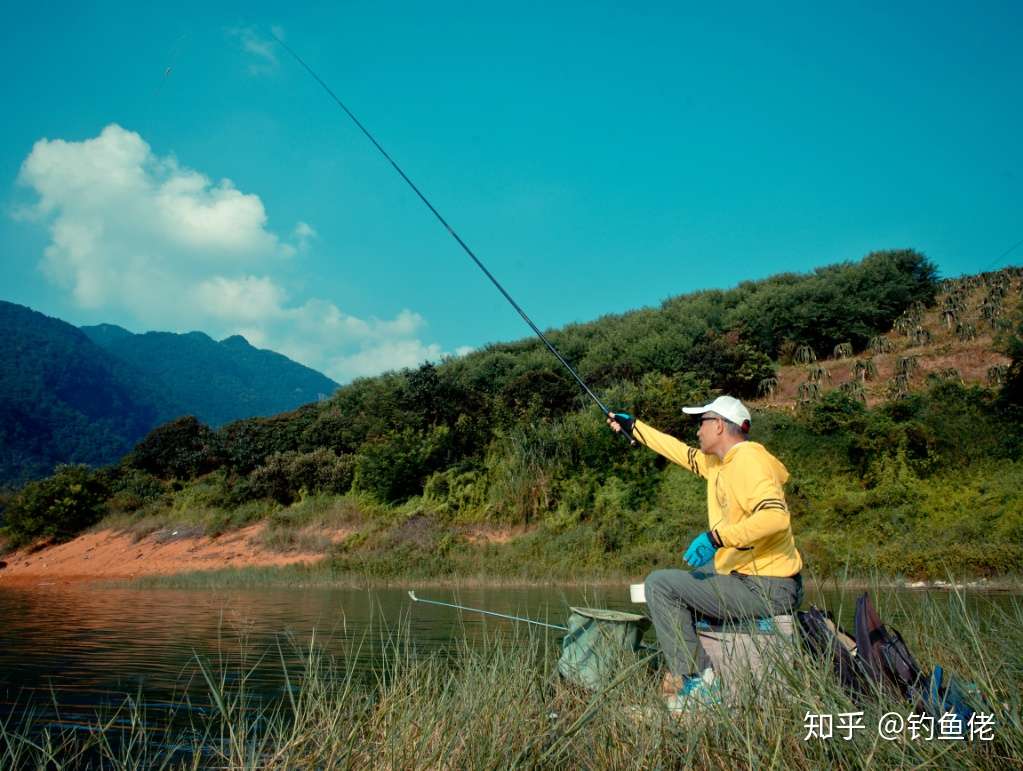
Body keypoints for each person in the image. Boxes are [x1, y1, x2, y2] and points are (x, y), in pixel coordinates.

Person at [607, 395, 803, 709]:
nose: (697, 431)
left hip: (767, 587)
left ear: (720, 426)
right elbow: (680, 452)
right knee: (689, 580)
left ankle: (700, 683)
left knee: (661, 585)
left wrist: (716, 538)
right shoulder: (721, 464)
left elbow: (774, 518)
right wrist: (636, 428)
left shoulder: (750, 462)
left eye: (702, 423)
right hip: (747, 576)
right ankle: (687, 665)